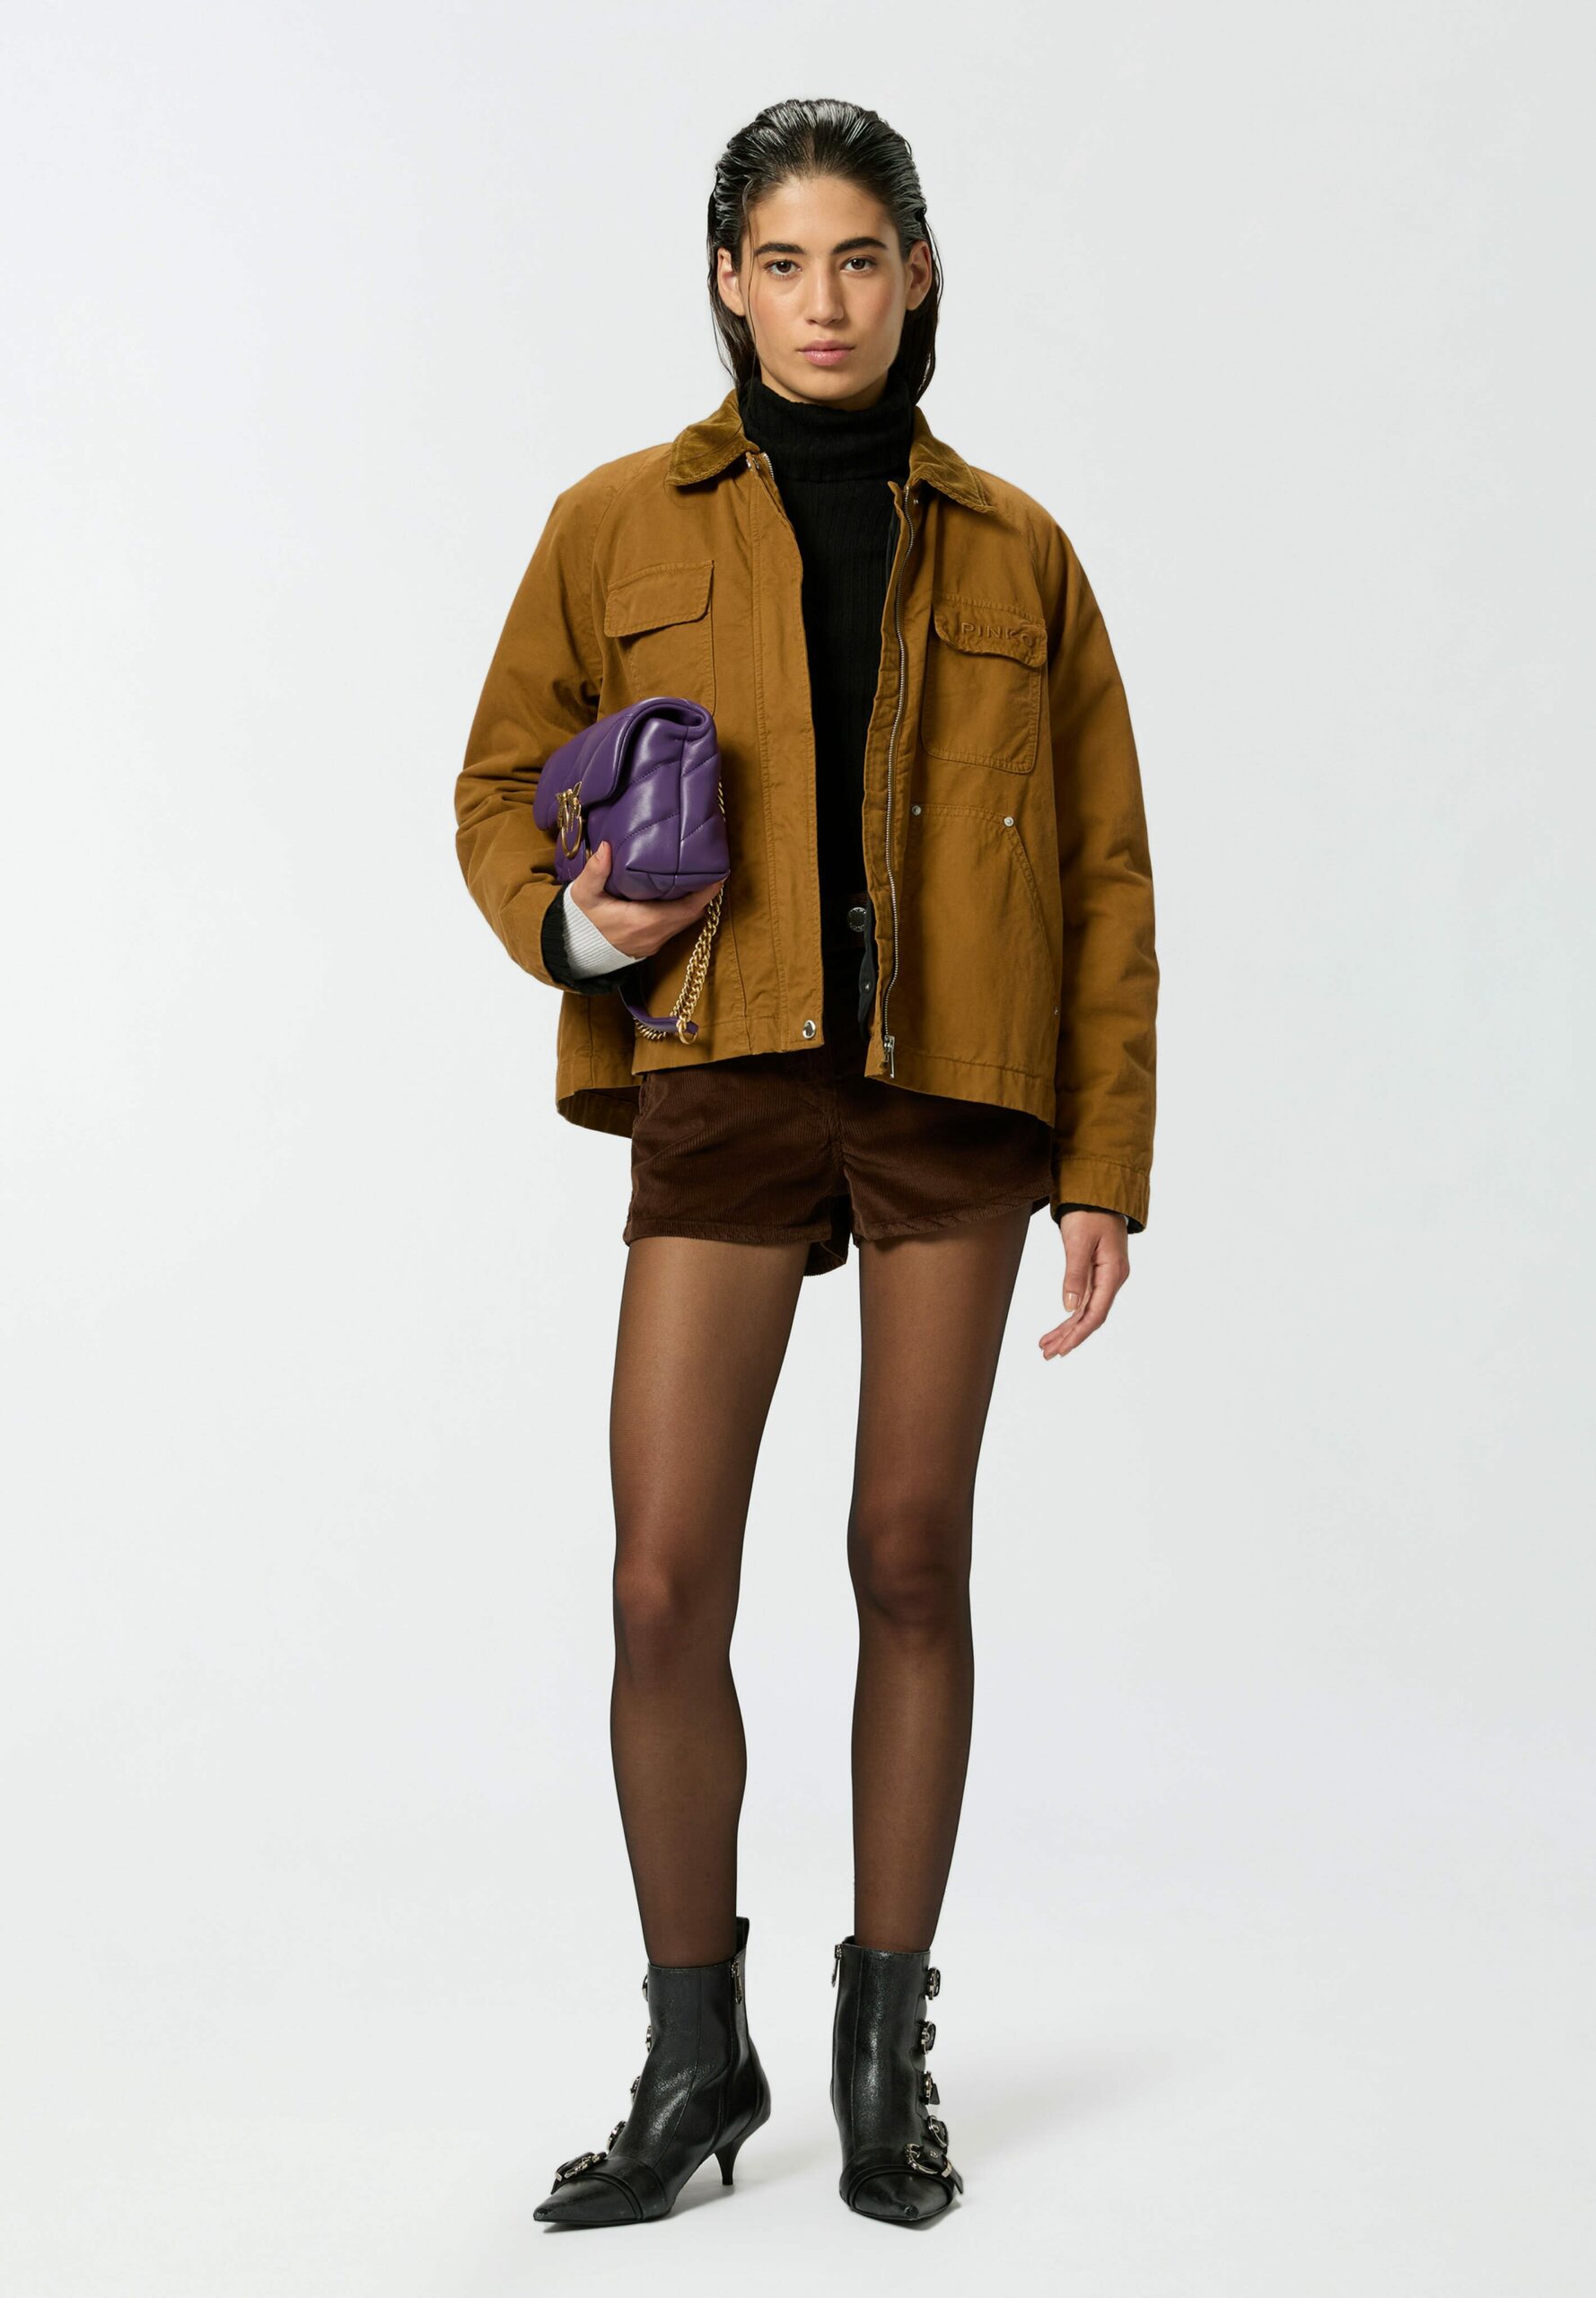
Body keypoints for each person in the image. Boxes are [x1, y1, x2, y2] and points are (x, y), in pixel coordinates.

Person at [454, 96, 1158, 2232]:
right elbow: (498, 782)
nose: (822, 301)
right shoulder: (612, 523)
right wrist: (586, 931)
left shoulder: (1018, 549)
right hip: (724, 1075)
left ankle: (882, 2046)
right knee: (660, 1580)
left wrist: (1103, 1159)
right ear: (727, 283)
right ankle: (696, 2057)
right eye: (781, 262)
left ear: (916, 276)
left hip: (954, 1093)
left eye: (859, 258)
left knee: (908, 1555)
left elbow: (1105, 872)